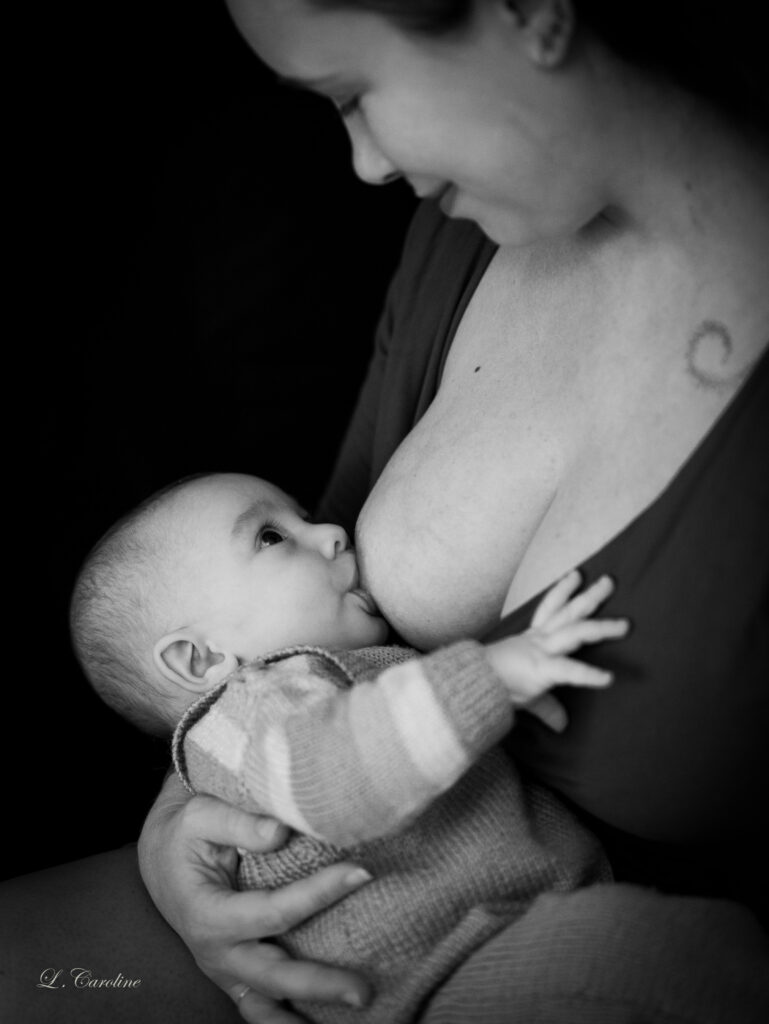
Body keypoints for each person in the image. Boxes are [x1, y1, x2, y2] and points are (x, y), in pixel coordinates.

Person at [3, 1, 767, 1022]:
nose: (361, 163)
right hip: (351, 937)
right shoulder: (463, 234)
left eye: (353, 94)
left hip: (534, 930)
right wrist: (179, 823)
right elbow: (266, 677)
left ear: (527, 12)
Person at [70, 469, 627, 1022]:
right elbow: (331, 779)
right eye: (271, 536)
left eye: (305, 518)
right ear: (202, 659)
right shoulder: (247, 712)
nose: (333, 532)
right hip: (455, 977)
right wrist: (490, 678)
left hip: (533, 932)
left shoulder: (326, 675)